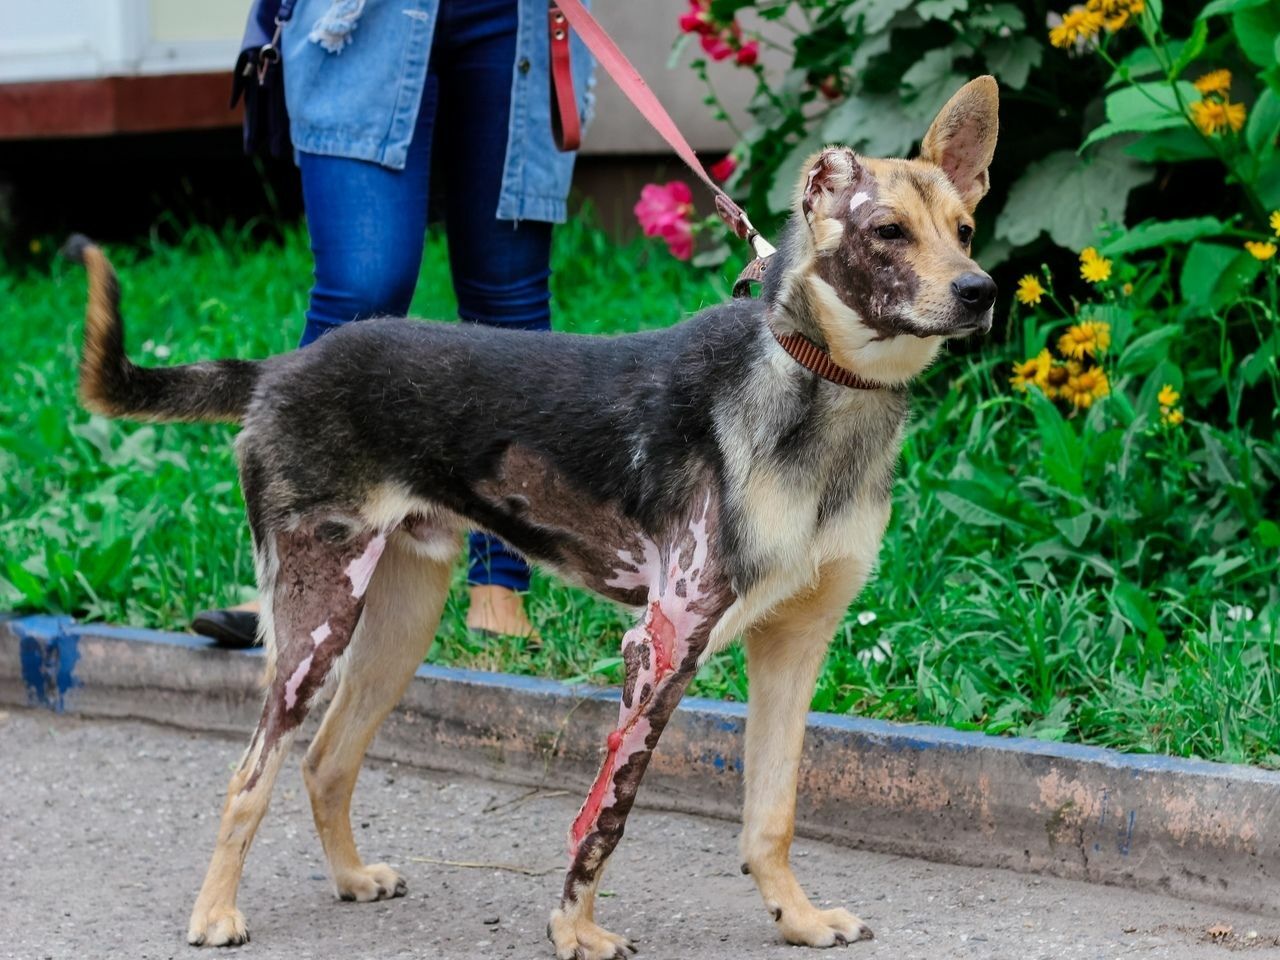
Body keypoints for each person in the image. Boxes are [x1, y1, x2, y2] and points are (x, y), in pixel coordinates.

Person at [193, 0, 593, 647]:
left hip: (515, 17)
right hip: (358, 16)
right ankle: (301, 580)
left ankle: (500, 582)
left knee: (507, 298)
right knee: (361, 285)